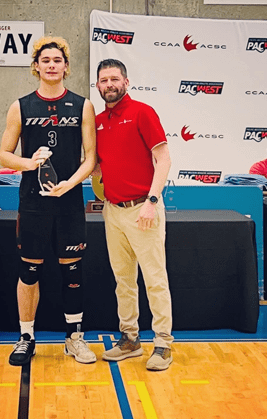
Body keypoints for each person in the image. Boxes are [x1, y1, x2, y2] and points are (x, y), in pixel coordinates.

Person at [0, 36, 97, 366]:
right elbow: (4, 155)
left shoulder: (83, 105)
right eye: (46, 60)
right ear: (36, 66)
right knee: (29, 271)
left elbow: (91, 158)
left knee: (73, 270)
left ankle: (75, 338)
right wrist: (31, 163)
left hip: (68, 202)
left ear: (66, 67)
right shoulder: (21, 106)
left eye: (58, 60)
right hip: (33, 203)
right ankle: (26, 337)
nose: (52, 65)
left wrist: (69, 183)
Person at [94, 59, 174, 371]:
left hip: (144, 208)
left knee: (155, 279)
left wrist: (152, 201)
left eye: (115, 78)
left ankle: (163, 344)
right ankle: (130, 339)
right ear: (98, 86)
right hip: (113, 212)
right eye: (104, 80)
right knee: (124, 280)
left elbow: (163, 158)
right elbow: (98, 165)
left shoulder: (143, 112)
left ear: (126, 82)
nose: (109, 84)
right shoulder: (99, 121)